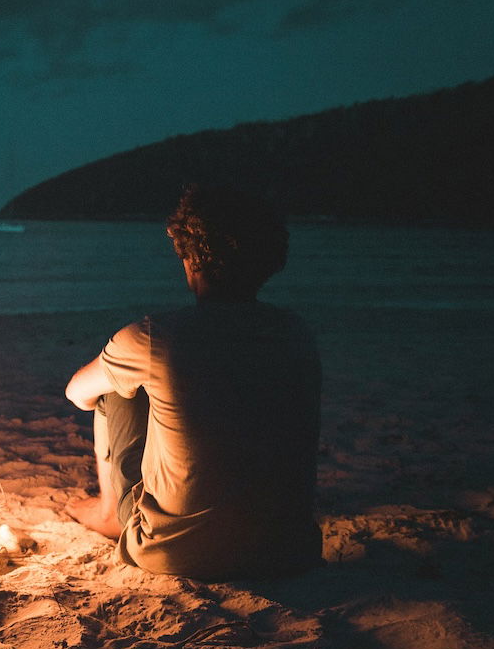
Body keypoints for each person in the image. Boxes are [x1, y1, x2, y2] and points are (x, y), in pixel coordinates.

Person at [64, 187, 322, 580]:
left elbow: (77, 394)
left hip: (176, 552)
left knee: (114, 388)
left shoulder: (156, 336)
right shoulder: (296, 332)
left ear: (190, 259)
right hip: (289, 549)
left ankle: (108, 511)